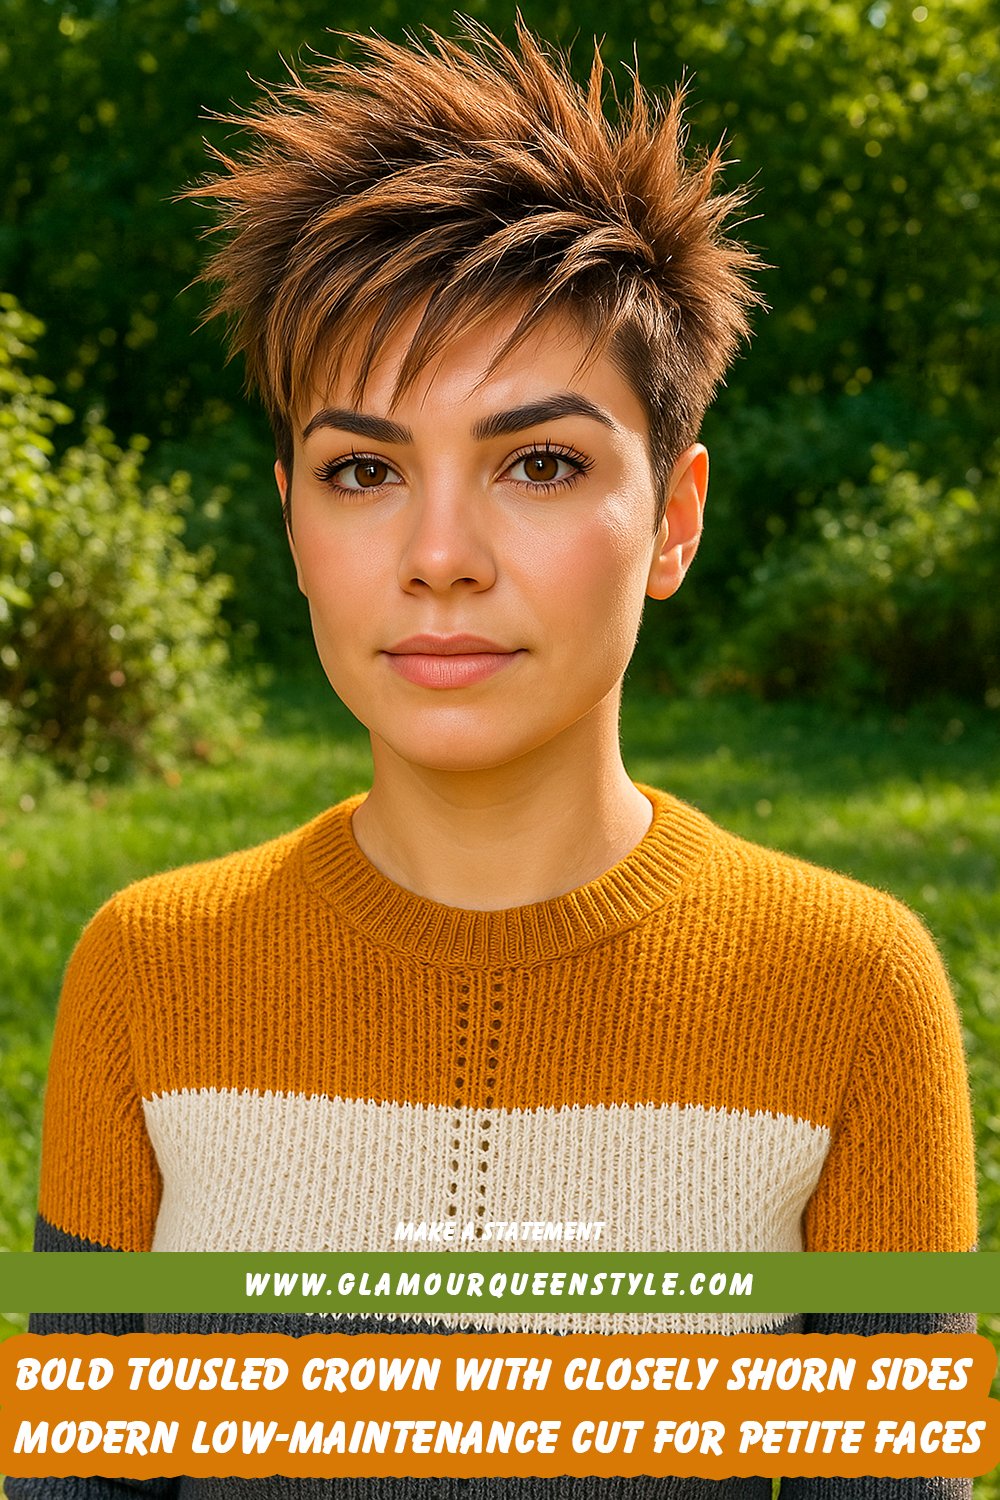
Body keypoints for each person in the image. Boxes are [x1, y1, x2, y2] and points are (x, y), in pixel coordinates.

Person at [7, 16, 977, 1500]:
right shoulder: (145, 973)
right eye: (364, 471)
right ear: (293, 520)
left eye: (540, 462)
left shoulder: (856, 991)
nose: (440, 556)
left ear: (675, 516)